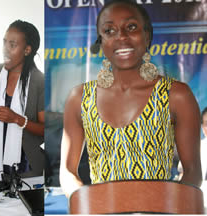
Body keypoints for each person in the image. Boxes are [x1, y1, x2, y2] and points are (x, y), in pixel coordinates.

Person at [60, 0, 202, 197]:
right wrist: (88, 204)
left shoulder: (176, 95)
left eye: (131, 27)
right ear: (100, 42)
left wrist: (161, 208)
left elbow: (193, 173)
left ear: (147, 35)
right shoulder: (80, 98)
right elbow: (67, 173)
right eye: (109, 31)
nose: (122, 37)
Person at [0, 20, 45, 180]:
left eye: (12, 45)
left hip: (27, 163)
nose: (5, 49)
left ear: (27, 50)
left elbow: (46, 130)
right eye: (4, 43)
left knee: (24, 204)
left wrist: (17, 119)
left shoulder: (39, 81)